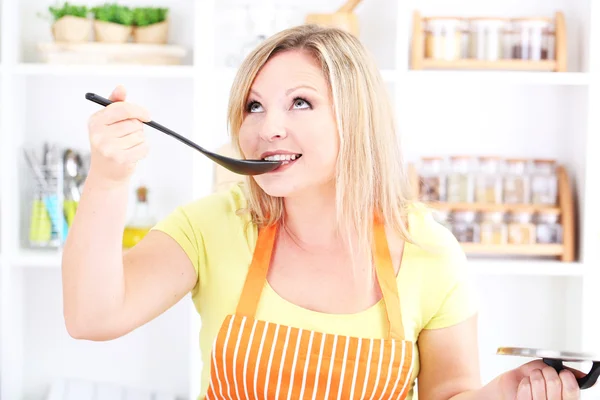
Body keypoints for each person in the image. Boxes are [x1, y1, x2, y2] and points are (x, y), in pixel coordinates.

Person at [62, 24, 584, 400]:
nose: (268, 128)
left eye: (301, 103)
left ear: (355, 120)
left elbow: (448, 395)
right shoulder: (211, 227)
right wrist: (108, 180)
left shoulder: (428, 251)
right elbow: (92, 317)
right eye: (254, 106)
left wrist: (505, 394)